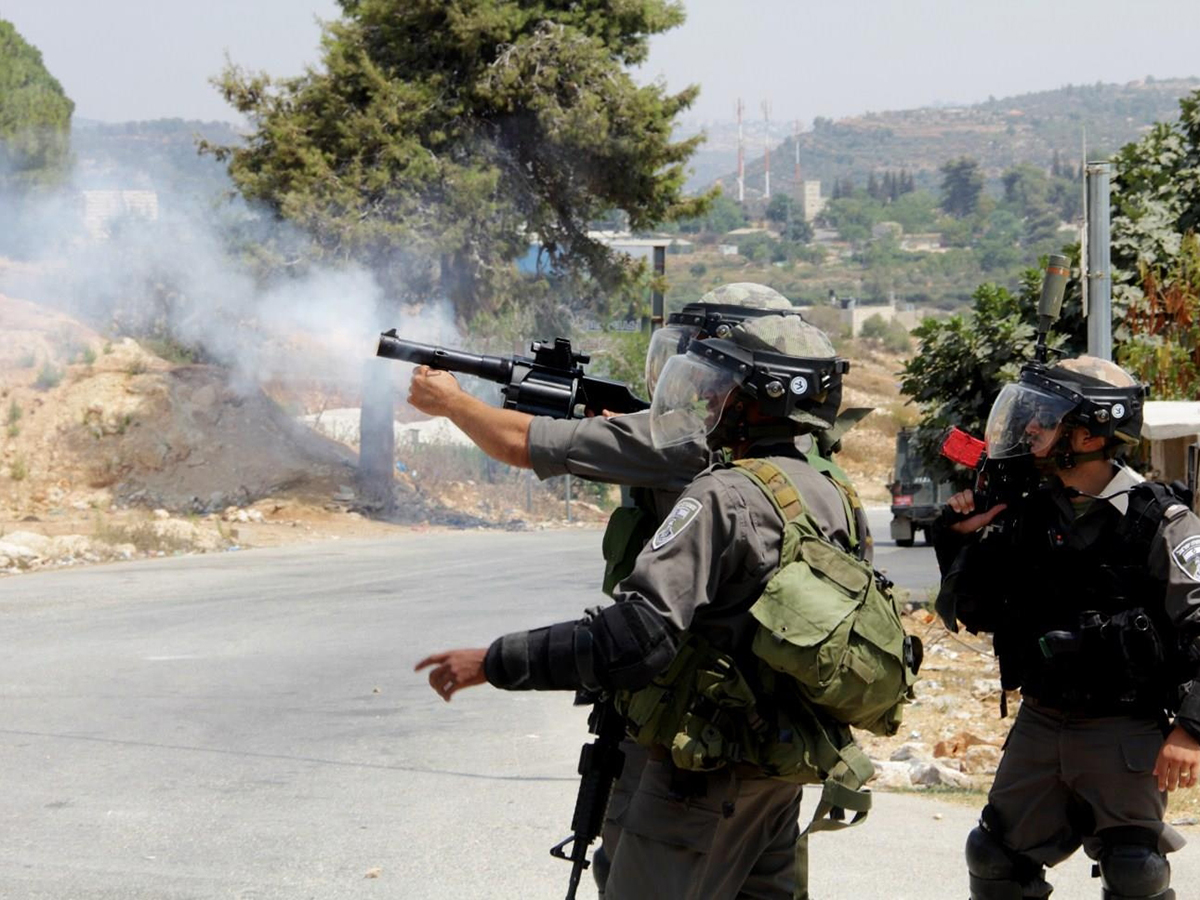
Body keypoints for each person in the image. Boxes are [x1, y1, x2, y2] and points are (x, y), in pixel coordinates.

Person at [406, 283, 863, 895]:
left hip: (697, 768)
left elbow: (635, 637)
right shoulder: (833, 490)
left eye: (716, 383)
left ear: (754, 399)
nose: (699, 395)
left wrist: (493, 661)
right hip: (776, 762)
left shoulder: (720, 491)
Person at [933, 355, 1200, 900]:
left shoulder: (1162, 522)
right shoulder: (1029, 511)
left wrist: (1192, 731)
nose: (1030, 429)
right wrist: (960, 539)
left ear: (1087, 433)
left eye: (1046, 418)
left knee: (1134, 872)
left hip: (1123, 728)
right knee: (993, 860)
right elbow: (977, 612)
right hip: (1040, 721)